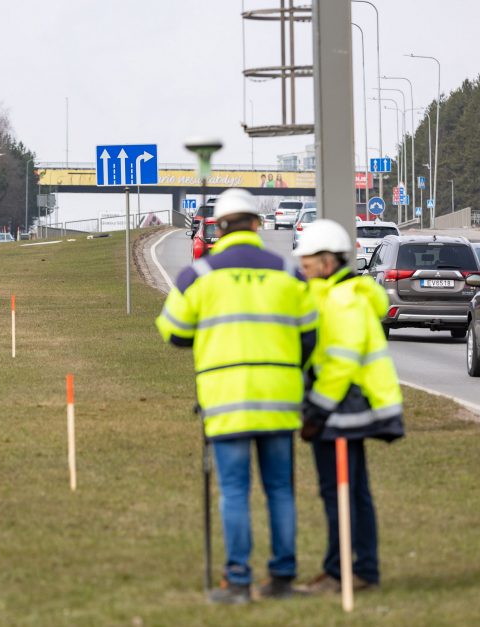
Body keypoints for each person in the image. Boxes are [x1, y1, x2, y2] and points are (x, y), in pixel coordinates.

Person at [156, 188, 317, 604]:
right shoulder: (289, 272)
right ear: (257, 223)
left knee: (234, 491)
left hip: (226, 400)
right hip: (280, 400)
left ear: (218, 226)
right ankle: (282, 577)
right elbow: (310, 334)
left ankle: (239, 580)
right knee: (280, 489)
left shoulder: (201, 274)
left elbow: (173, 331)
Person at [291, 219, 404, 594]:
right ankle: (360, 570)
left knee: (340, 491)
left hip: (344, 407)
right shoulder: (346, 293)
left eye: (307, 265)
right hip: (350, 404)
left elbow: (340, 361)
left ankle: (344, 573)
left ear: (326, 262)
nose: (304, 272)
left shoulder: (342, 298)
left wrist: (316, 411)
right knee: (354, 491)